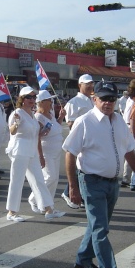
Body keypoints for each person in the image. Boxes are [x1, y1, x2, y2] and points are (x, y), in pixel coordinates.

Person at [63, 81, 135, 268]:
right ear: (94, 99)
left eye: (112, 99)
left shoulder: (119, 121)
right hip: (91, 182)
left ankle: (83, 259)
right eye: (104, 99)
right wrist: (73, 187)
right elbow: (70, 153)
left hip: (112, 183)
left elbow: (128, 150)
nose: (108, 103)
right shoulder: (85, 121)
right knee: (101, 229)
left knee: (97, 225)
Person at [6, 86, 65, 222]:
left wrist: (43, 134)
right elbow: (12, 131)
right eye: (28, 97)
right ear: (22, 99)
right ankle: (11, 212)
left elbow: (36, 134)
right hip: (19, 150)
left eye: (33, 97)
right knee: (17, 180)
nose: (32, 100)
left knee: (39, 180)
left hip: (31, 150)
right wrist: (16, 123)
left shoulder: (32, 114)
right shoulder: (17, 113)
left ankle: (48, 209)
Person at [28, 90, 66, 211]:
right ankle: (34, 199)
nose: (51, 102)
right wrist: (40, 156)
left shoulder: (50, 114)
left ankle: (47, 204)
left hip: (56, 151)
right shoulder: (38, 117)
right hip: (46, 152)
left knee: (54, 179)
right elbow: (37, 137)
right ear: (42, 102)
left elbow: (56, 128)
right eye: (49, 100)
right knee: (49, 177)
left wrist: (61, 117)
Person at [61, 74, 94, 208]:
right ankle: (68, 192)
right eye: (87, 84)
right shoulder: (74, 102)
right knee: (78, 168)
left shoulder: (92, 100)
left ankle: (80, 195)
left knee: (85, 168)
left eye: (91, 83)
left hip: (92, 139)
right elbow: (70, 122)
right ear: (80, 85)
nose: (90, 86)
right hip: (79, 140)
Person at [120, 79, 135, 187]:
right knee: (130, 153)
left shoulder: (129, 100)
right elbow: (130, 118)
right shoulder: (134, 102)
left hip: (127, 125)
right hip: (129, 126)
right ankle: (127, 178)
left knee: (129, 153)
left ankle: (128, 177)